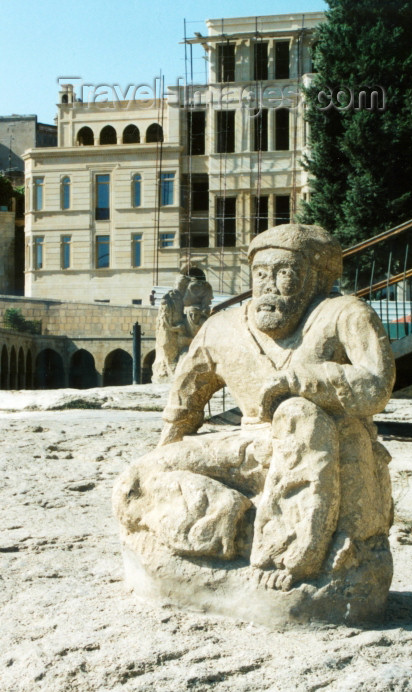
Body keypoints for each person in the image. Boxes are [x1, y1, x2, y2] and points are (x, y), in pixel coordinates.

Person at [115, 223, 395, 594]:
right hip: (250, 448)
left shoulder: (343, 314)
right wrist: (164, 453)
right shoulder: (224, 327)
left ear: (315, 279)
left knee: (299, 413)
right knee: (136, 481)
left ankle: (293, 554)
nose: (269, 287)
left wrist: (300, 381)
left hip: (326, 447)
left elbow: (376, 384)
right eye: (261, 275)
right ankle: (242, 530)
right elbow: (184, 406)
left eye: (285, 274)